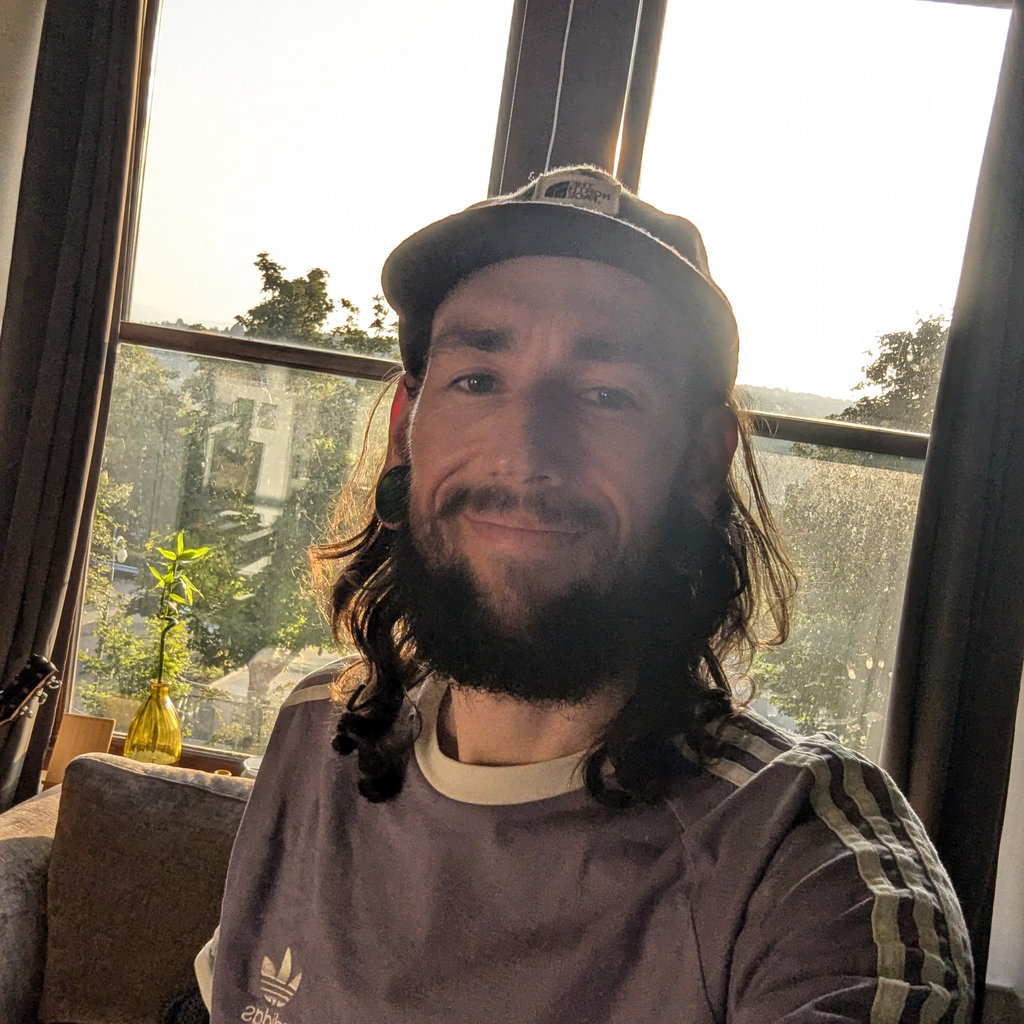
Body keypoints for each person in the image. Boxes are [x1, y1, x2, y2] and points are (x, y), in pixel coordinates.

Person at [195, 166, 972, 1023]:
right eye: (478, 380)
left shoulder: (805, 861)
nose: (524, 454)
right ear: (404, 434)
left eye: (608, 395)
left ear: (700, 463)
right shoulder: (318, 732)